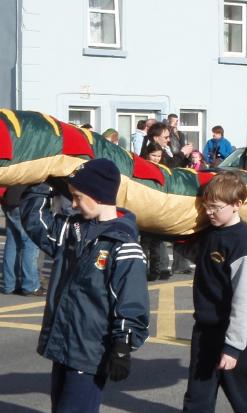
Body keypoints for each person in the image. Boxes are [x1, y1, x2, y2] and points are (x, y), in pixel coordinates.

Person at [19, 158, 150, 413]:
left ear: (98, 195)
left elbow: (131, 299)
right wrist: (44, 181)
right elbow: (36, 221)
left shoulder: (122, 244)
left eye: (78, 197)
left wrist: (123, 345)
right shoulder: (72, 228)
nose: (74, 203)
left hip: (90, 351)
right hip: (64, 346)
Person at [182, 171, 247, 413]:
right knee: (197, 397)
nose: (209, 212)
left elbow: (244, 300)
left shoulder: (244, 243)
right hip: (206, 329)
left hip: (234, 332)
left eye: (215, 207)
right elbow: (197, 257)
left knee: (246, 397)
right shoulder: (211, 233)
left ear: (236, 205)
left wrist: (233, 347)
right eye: (205, 206)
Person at [1, 185, 45, 296]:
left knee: (12, 243)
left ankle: (9, 284)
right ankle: (30, 286)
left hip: (8, 198)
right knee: (30, 242)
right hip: (22, 199)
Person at [140, 142, 172, 280]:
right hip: (145, 208)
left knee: (156, 243)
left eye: (159, 156)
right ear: (148, 154)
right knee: (144, 243)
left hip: (158, 208)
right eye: (153, 155)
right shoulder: (142, 166)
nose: (156, 158)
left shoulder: (163, 168)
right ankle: (142, 270)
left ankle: (155, 271)